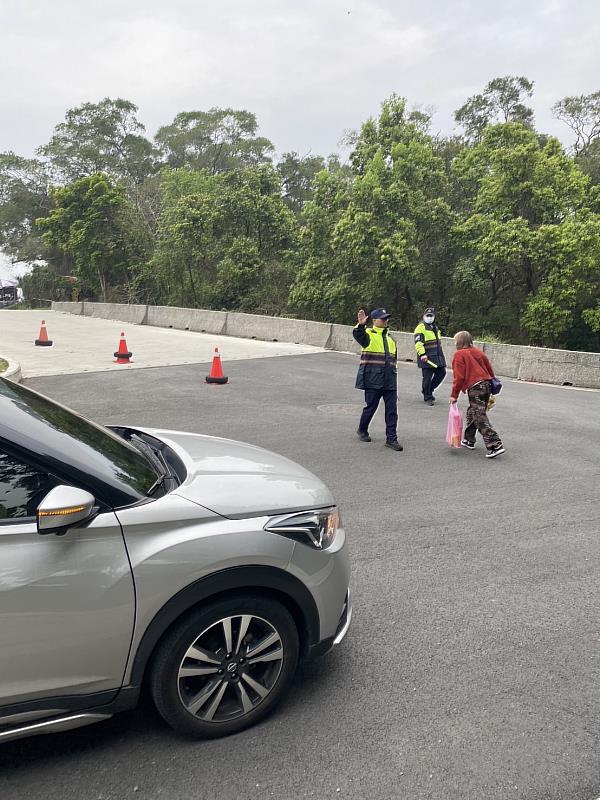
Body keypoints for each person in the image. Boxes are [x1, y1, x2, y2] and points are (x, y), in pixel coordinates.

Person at [448, 331, 505, 458]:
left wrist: (454, 395)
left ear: (459, 342)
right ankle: (469, 439)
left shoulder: (459, 355)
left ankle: (494, 444)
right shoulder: (479, 352)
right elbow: (489, 369)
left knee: (479, 415)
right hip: (486, 385)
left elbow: (459, 377)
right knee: (473, 411)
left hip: (475, 387)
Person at [353, 308, 403, 451]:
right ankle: (362, 429)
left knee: (392, 410)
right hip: (372, 379)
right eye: (382, 318)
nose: (386, 320)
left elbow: (394, 361)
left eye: (386, 318)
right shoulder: (368, 334)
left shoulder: (391, 338)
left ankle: (391, 439)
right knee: (371, 407)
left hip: (389, 380)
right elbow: (358, 335)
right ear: (374, 321)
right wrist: (361, 325)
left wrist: (394, 376)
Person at [414, 307, 446, 405]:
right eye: (427, 316)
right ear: (423, 316)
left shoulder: (435, 327)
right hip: (426, 357)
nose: (430, 318)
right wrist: (422, 354)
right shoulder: (421, 327)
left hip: (437, 356)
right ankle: (427, 397)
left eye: (431, 316)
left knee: (441, 373)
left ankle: (428, 390)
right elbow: (418, 342)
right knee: (427, 377)